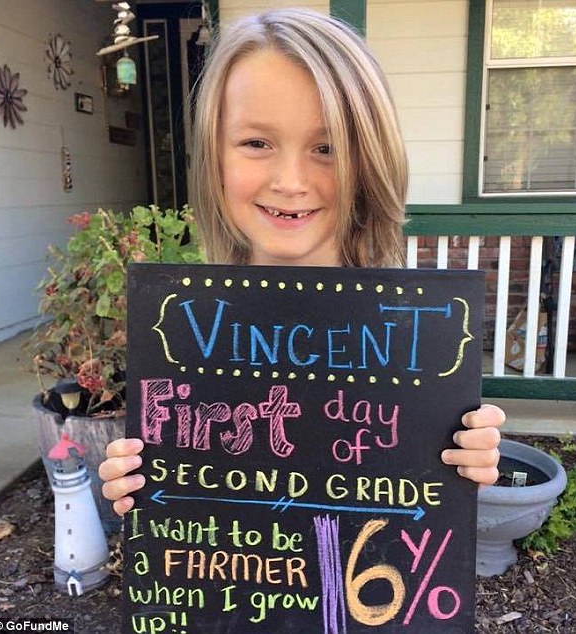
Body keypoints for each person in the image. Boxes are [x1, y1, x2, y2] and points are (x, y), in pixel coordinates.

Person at [99, 7, 504, 517]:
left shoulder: (416, 338)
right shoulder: (181, 331)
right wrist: (140, 487)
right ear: (213, 155)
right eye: (256, 143)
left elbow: (422, 510)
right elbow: (183, 507)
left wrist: (461, 466)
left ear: (371, 160)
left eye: (327, 147)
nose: (290, 181)